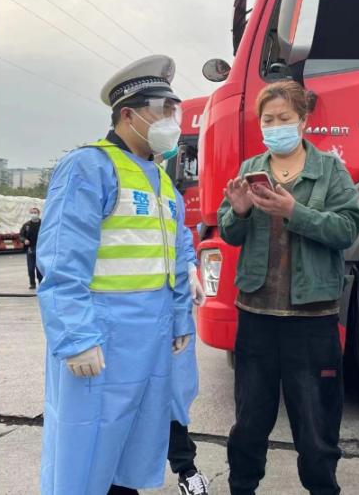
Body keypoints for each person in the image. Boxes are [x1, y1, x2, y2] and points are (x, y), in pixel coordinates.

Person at [37, 54, 194, 494]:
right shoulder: (90, 166)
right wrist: (75, 337)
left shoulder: (162, 181)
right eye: (163, 110)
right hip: (102, 342)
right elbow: (61, 259)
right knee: (86, 454)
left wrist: (181, 318)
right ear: (129, 114)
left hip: (152, 344)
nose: (172, 121)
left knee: (134, 452)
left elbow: (175, 259)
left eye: (173, 111)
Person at [219, 80, 359, 495]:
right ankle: (242, 487)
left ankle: (323, 489)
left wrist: (295, 212)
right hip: (256, 316)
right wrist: (241, 212)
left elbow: (348, 229)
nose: (275, 125)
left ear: (303, 120)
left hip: (312, 319)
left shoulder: (330, 169)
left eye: (284, 118)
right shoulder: (250, 169)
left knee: (316, 424)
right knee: (249, 421)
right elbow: (230, 233)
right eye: (268, 119)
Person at [157, 149, 210, 495]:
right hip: (122, 318)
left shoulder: (165, 188)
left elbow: (182, 240)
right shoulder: (103, 173)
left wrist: (190, 268)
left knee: (171, 396)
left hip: (165, 312)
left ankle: (186, 469)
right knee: (125, 404)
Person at [18, 207, 42, 289]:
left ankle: (41, 283)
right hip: (30, 249)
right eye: (32, 212)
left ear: (38, 213)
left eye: (35, 212)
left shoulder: (43, 224)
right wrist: (24, 240)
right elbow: (21, 235)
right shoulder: (26, 225)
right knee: (31, 268)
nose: (33, 214)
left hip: (41, 249)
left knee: (39, 268)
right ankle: (32, 283)